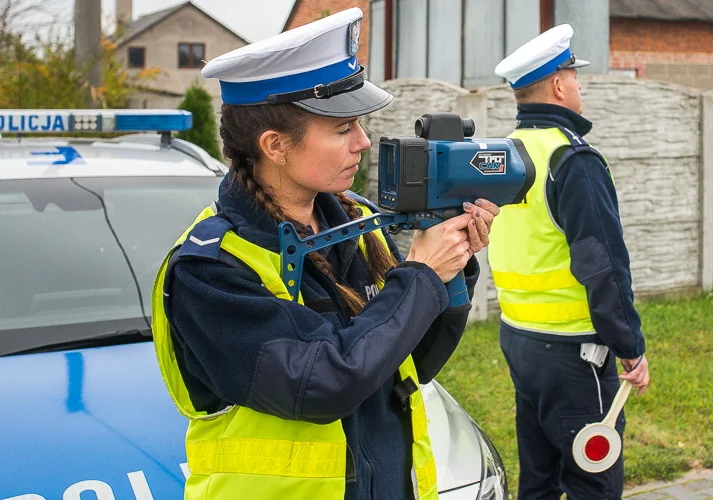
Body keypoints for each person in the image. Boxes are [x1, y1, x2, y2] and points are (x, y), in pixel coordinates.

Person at [150, 8, 499, 500]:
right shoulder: (210, 269)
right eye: (342, 129)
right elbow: (322, 385)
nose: (363, 142)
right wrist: (420, 276)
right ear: (275, 145)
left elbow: (410, 360)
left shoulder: (355, 226)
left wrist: (452, 263)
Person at [488, 24, 651, 499]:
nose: (580, 85)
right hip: (575, 356)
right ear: (559, 85)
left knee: (538, 481)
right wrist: (631, 346)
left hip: (519, 340)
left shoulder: (505, 154)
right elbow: (603, 266)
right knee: (592, 483)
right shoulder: (572, 159)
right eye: (574, 76)